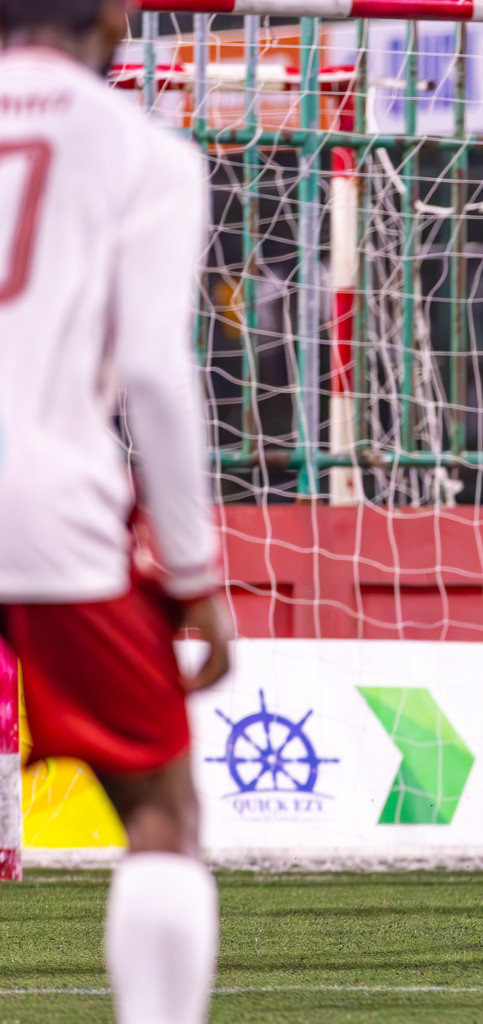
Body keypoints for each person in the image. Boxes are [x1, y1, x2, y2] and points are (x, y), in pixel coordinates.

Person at [0, 2, 233, 1022]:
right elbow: (152, 372)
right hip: (47, 503)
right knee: (161, 811)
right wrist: (194, 578)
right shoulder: (145, 154)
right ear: (113, 16)